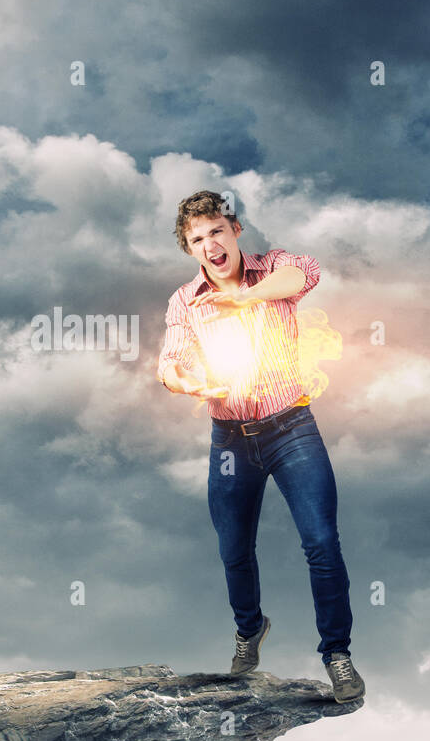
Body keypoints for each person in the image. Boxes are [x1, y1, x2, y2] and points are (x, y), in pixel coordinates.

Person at [156, 190, 364, 703]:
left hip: (291, 427)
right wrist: (185, 381)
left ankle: (337, 654)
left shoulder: (275, 269)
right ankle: (249, 630)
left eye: (216, 232)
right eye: (197, 239)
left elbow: (305, 274)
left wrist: (247, 298)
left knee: (321, 542)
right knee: (233, 549)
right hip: (230, 439)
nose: (210, 244)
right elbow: (170, 364)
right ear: (190, 249)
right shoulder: (185, 302)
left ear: (235, 230)